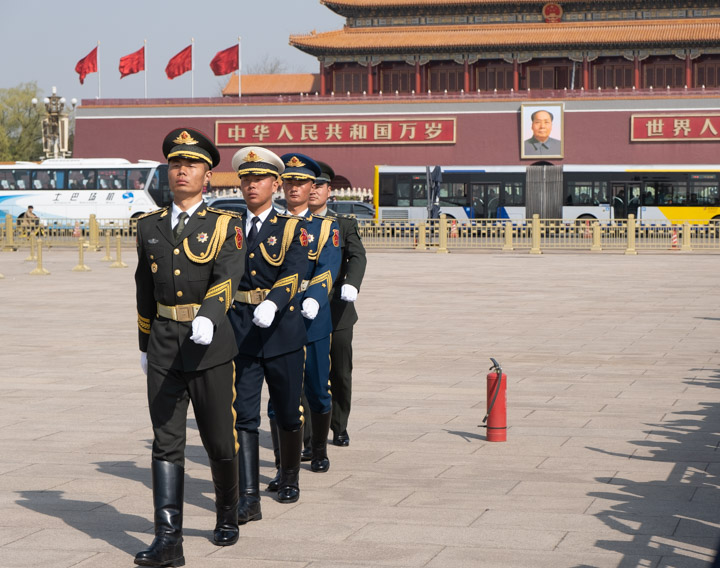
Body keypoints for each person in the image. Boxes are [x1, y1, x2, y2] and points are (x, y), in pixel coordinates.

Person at [134, 128, 246, 567]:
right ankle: (168, 539)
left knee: (220, 437)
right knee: (166, 442)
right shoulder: (149, 225)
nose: (182, 170)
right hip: (164, 341)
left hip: (210, 344)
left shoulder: (224, 224)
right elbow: (144, 288)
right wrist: (144, 343)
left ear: (208, 175)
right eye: (176, 163)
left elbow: (228, 275)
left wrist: (208, 315)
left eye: (192, 164)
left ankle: (226, 512)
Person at [227, 146, 309, 517]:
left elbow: (295, 272)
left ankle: (288, 476)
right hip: (240, 330)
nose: (251, 185)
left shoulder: (292, 227)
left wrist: (274, 302)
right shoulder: (226, 226)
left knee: (288, 412)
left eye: (258, 178)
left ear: (276, 184)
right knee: (243, 415)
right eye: (245, 179)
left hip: (281, 330)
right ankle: (248, 496)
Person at [275, 153, 340, 474]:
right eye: (289, 182)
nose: (294, 188)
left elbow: (328, 266)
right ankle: (281, 462)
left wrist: (315, 296)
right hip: (276, 320)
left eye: (301, 183)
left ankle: (318, 450)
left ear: (312, 186)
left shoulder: (326, 227)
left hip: (312, 318)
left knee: (317, 387)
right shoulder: (269, 224)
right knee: (278, 395)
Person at [310, 162, 367, 447]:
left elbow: (358, 257)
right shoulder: (288, 223)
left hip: (336, 310)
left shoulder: (343, 224)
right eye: (308, 184)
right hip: (300, 310)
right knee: (303, 370)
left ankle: (339, 424)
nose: (312, 190)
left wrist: (351, 284)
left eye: (318, 185)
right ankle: (307, 432)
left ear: (328, 190)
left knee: (340, 371)